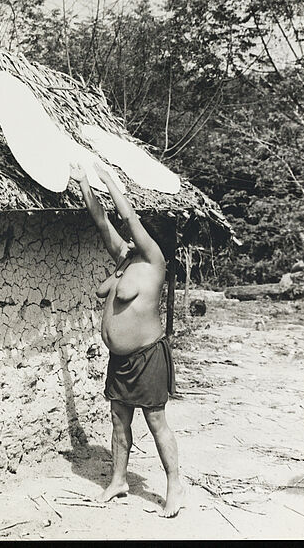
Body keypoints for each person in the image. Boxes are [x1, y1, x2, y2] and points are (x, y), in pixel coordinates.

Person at [70, 161, 185, 518]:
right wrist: (86, 184)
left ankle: (173, 484)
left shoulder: (155, 262)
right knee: (119, 420)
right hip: (121, 360)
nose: (134, 233)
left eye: (142, 232)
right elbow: (102, 222)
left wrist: (109, 179)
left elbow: (129, 218)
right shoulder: (125, 257)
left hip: (147, 357)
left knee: (155, 422)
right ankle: (119, 480)